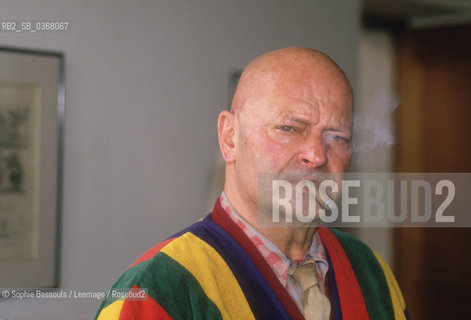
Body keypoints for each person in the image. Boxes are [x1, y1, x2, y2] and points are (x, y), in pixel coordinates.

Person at [95, 47, 409, 320]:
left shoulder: (370, 272)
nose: (316, 155)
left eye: (337, 136)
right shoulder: (156, 290)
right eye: (288, 128)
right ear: (230, 138)